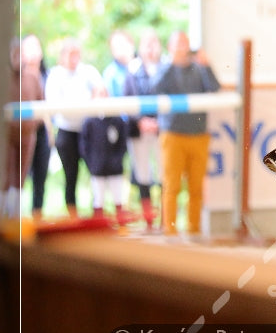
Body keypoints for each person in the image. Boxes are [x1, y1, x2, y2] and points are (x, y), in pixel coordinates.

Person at [151, 31, 220, 236]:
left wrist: (207, 65)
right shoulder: (165, 69)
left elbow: (214, 88)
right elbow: (153, 88)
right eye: (178, 43)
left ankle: (194, 230)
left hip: (199, 135)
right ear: (169, 47)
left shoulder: (199, 69)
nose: (182, 47)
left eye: (185, 43)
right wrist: (172, 63)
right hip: (173, 135)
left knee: (196, 188)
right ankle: (169, 230)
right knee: (171, 186)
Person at [44, 38, 104, 218]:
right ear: (62, 56)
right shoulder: (55, 75)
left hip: (88, 131)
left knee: (97, 171)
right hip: (66, 132)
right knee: (71, 176)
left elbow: (100, 90)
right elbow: (52, 104)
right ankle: (73, 216)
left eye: (77, 53)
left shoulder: (88, 71)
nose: (74, 58)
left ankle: (98, 214)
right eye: (70, 54)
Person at [123, 29, 162, 230]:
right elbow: (127, 99)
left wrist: (159, 122)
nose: (150, 47)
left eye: (154, 42)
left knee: (164, 172)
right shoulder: (132, 70)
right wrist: (141, 121)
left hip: (161, 130)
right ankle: (148, 220)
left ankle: (165, 218)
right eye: (147, 43)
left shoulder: (165, 69)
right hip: (138, 131)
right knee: (142, 172)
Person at [3, 38, 44, 219]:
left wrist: (32, 124)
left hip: (28, 136)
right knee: (6, 176)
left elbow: (41, 105)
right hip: (6, 137)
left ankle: (16, 215)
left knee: (21, 177)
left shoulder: (33, 78)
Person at [78, 85, 130, 223]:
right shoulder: (89, 121)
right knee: (98, 199)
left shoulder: (117, 120)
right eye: (99, 94)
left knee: (118, 198)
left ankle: (121, 227)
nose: (102, 97)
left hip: (115, 168)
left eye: (105, 94)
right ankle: (98, 228)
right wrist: (92, 164)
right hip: (97, 169)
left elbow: (123, 143)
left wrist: (118, 160)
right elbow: (84, 146)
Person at [20, 34, 51, 221]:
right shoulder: (18, 77)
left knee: (41, 178)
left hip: (43, 133)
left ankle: (37, 217)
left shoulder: (48, 76)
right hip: (23, 132)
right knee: (20, 178)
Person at [102, 29, 135, 99]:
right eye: (115, 47)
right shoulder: (110, 73)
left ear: (131, 43)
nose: (120, 50)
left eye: (122, 45)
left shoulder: (143, 65)